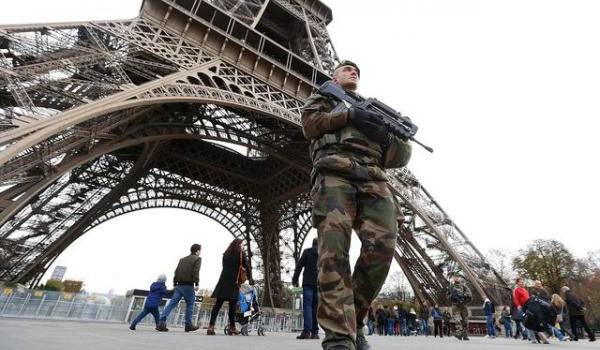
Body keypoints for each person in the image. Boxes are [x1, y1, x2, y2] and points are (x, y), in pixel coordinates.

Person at [301, 60, 412, 350]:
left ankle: (354, 321)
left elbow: (397, 159)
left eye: (357, 72)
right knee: (334, 252)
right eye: (347, 69)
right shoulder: (325, 97)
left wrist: (393, 136)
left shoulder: (374, 112)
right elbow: (310, 125)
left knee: (382, 253)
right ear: (334, 76)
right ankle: (339, 338)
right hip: (334, 174)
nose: (353, 72)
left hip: (374, 180)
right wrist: (349, 114)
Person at [207, 238, 251, 336]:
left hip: (223, 280)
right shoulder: (240, 254)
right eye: (242, 245)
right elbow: (246, 266)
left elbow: (224, 266)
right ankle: (232, 328)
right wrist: (249, 277)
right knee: (232, 306)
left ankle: (211, 326)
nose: (243, 246)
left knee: (218, 304)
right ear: (239, 245)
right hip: (234, 282)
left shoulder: (225, 254)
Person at [156, 244, 202, 332]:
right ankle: (188, 325)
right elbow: (196, 271)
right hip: (188, 285)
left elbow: (176, 271)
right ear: (197, 251)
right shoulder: (197, 259)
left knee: (171, 304)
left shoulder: (182, 259)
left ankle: (161, 321)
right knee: (190, 304)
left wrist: (174, 283)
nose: (200, 252)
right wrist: (196, 284)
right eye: (200, 250)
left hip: (179, 285)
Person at [292, 238, 319, 340]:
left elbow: (299, 266)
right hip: (319, 284)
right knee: (315, 308)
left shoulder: (307, 252)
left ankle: (307, 331)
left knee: (307, 306)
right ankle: (315, 332)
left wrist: (294, 280)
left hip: (308, 283)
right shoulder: (323, 254)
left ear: (312, 244)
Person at [447, 274, 472, 340]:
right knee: (457, 319)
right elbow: (447, 296)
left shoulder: (464, 286)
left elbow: (470, 295)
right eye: (454, 277)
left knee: (465, 320)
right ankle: (459, 332)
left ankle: (465, 335)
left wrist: (463, 297)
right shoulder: (451, 287)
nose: (455, 278)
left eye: (457, 277)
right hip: (455, 305)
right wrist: (452, 296)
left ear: (460, 278)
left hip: (463, 305)